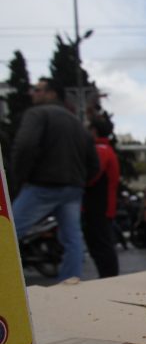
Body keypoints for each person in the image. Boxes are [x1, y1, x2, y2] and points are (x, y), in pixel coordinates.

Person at [10, 77, 98, 281]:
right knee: (72, 240)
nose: (33, 93)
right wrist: (80, 179)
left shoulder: (37, 114)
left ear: (52, 94)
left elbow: (24, 146)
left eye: (38, 90)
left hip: (43, 184)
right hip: (72, 188)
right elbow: (93, 162)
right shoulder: (76, 122)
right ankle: (71, 282)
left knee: (8, 231)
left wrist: (20, 177)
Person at [81, 114, 120, 277]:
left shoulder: (100, 150)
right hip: (100, 206)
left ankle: (108, 280)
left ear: (94, 131)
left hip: (98, 206)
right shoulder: (105, 149)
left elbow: (92, 175)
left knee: (101, 245)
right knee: (101, 245)